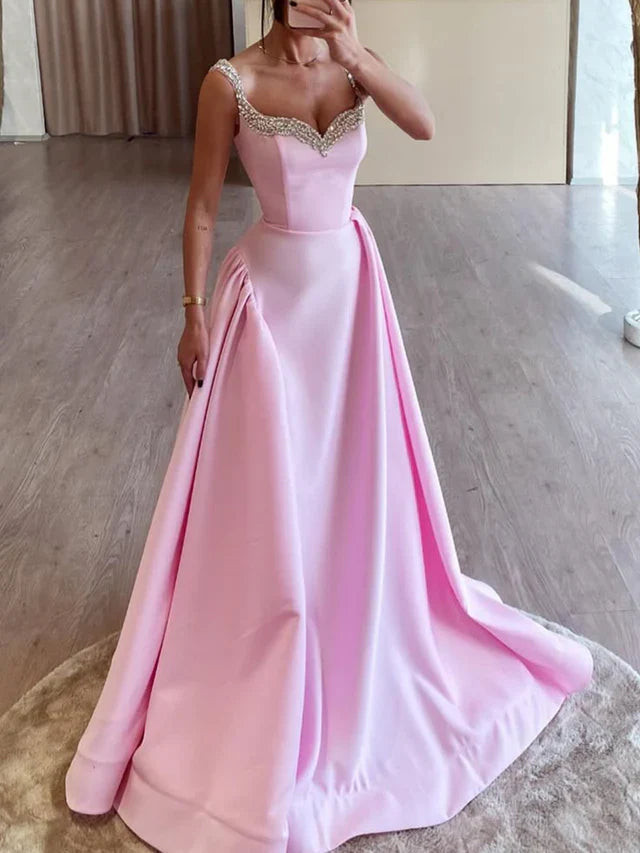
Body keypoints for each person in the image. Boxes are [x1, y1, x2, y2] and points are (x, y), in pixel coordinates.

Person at [64, 1, 594, 851]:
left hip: (349, 298)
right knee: (276, 487)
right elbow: (201, 206)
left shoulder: (354, 66)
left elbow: (423, 123)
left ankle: (355, 614)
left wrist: (358, 54)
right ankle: (269, 628)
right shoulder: (230, 81)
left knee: (353, 478)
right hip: (271, 309)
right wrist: (193, 312)